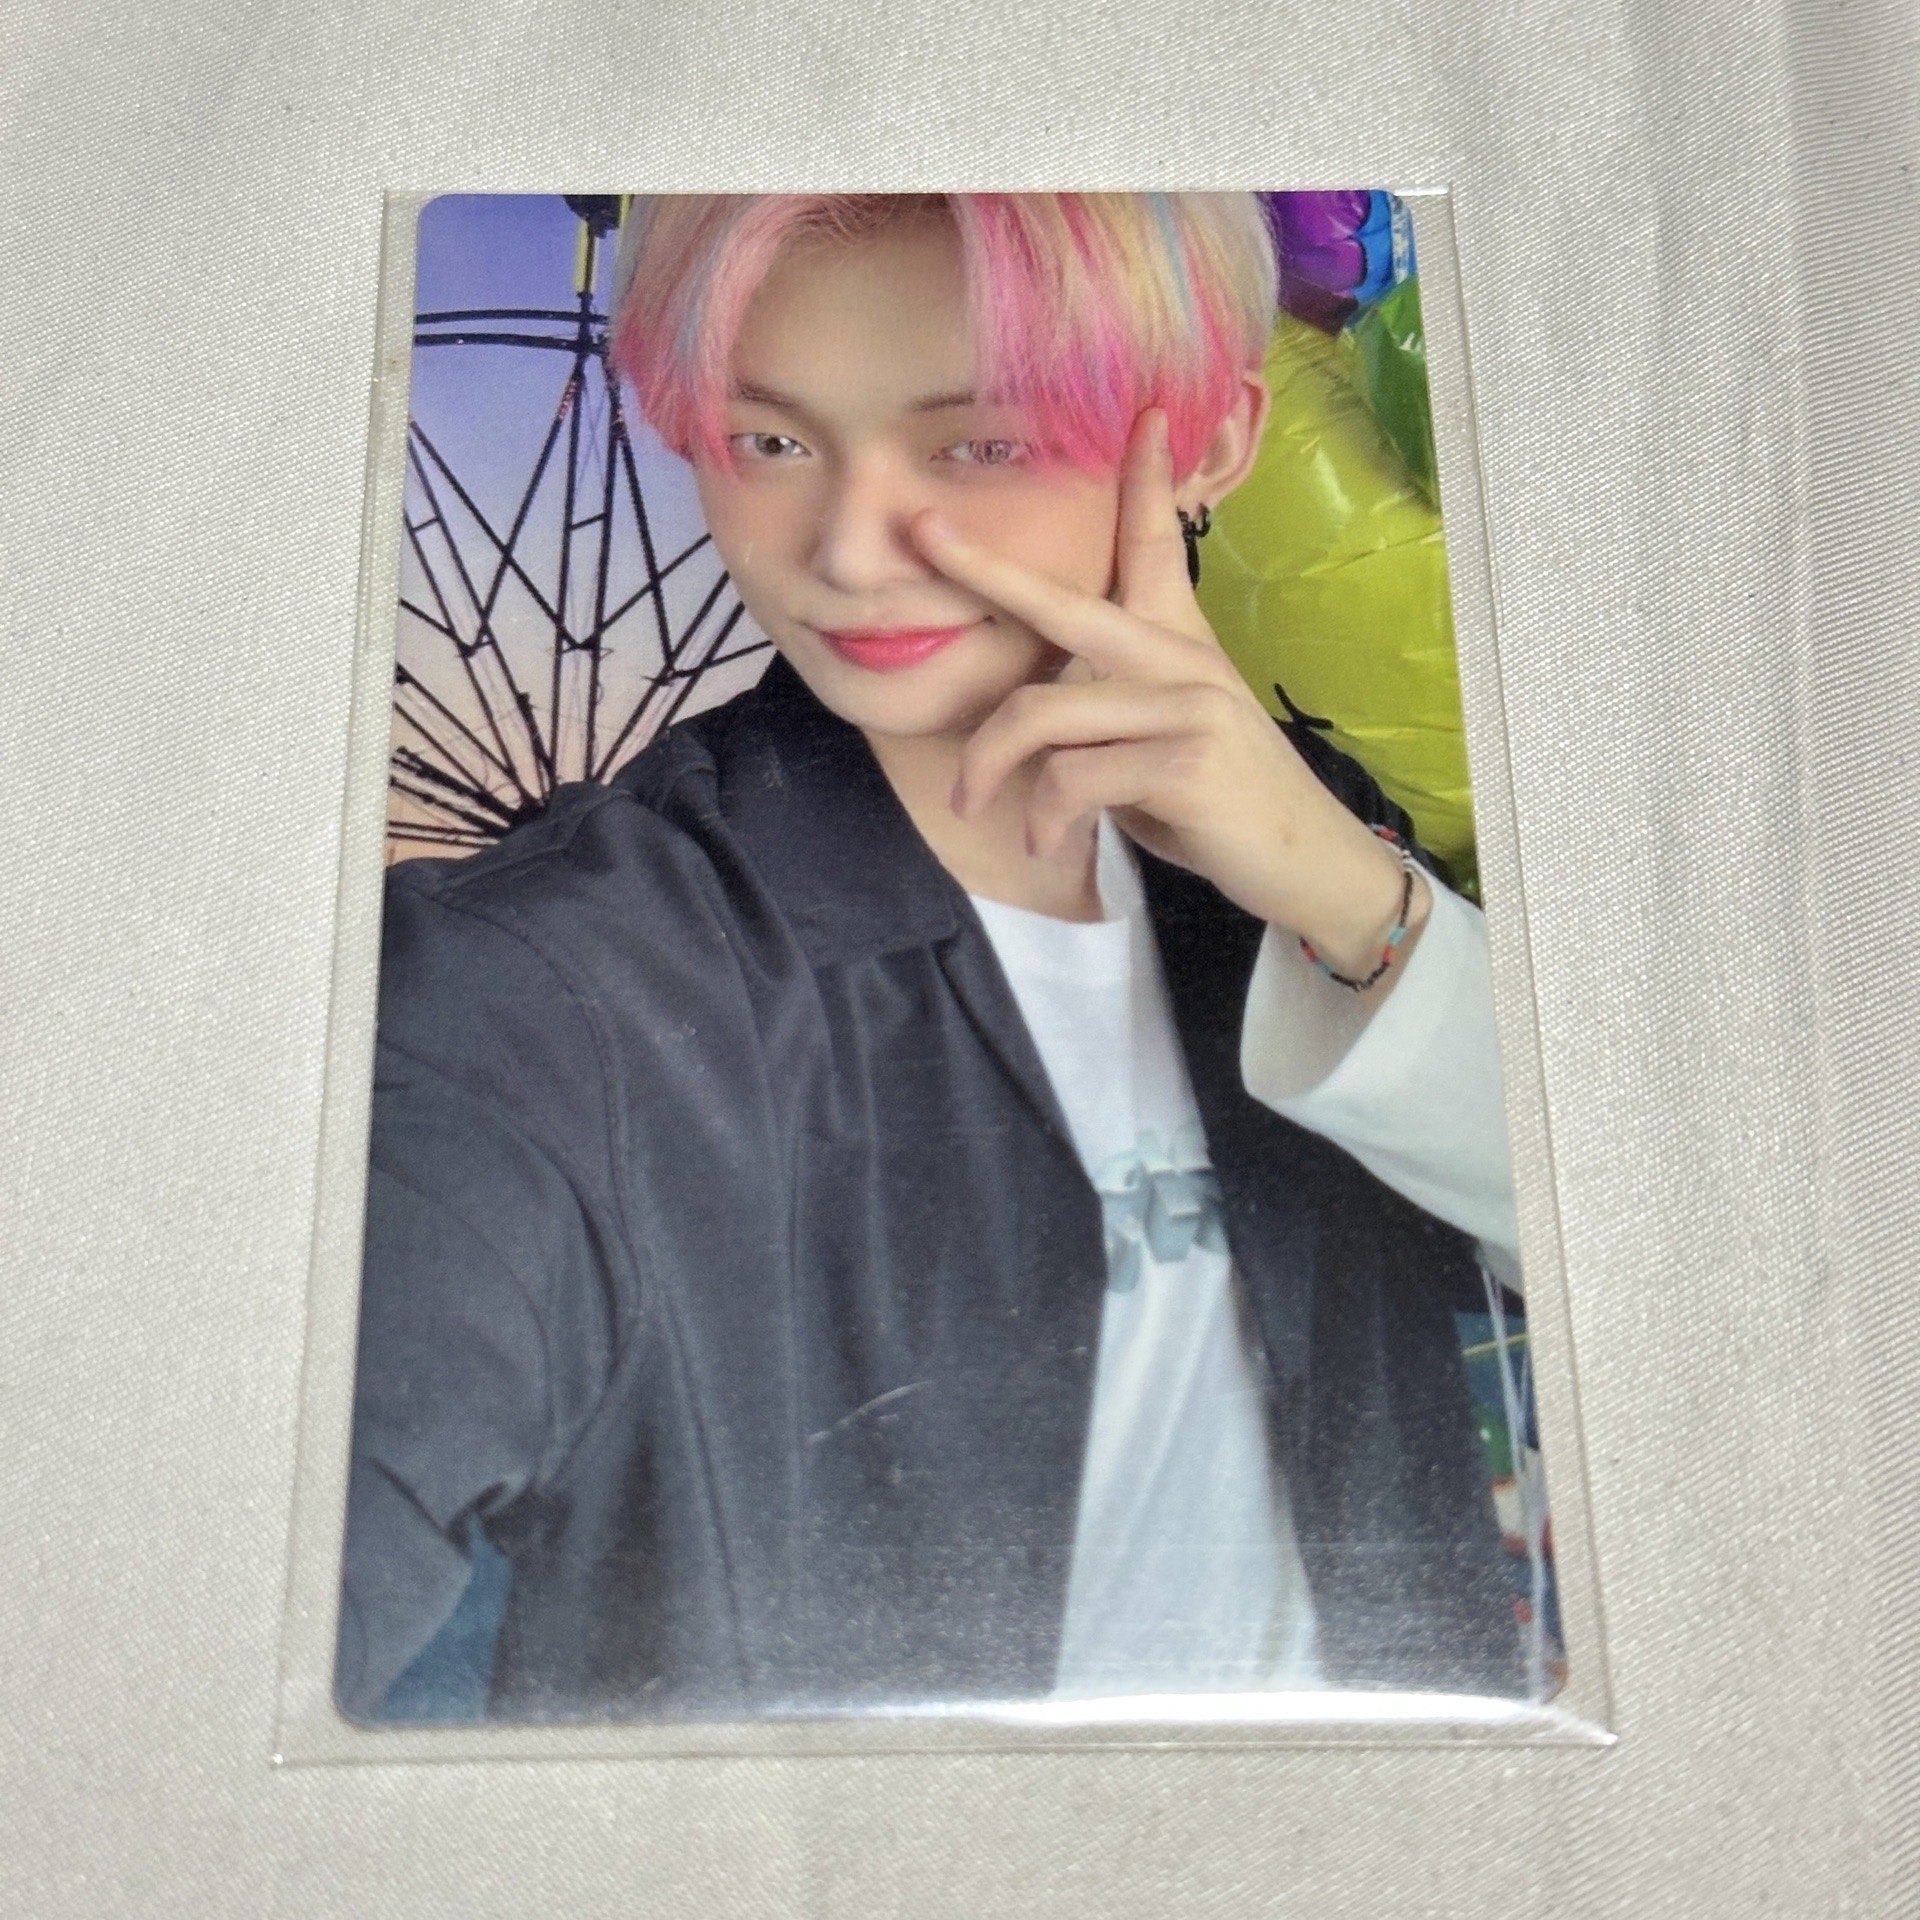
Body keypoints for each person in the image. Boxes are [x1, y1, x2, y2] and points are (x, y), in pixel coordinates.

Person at [336, 193, 1525, 1724]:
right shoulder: (541, 993)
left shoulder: (1306, 867)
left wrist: (1357, 901)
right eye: (771, 439)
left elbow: (1677, 1304)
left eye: (979, 445)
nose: (849, 552)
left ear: (1216, 441)